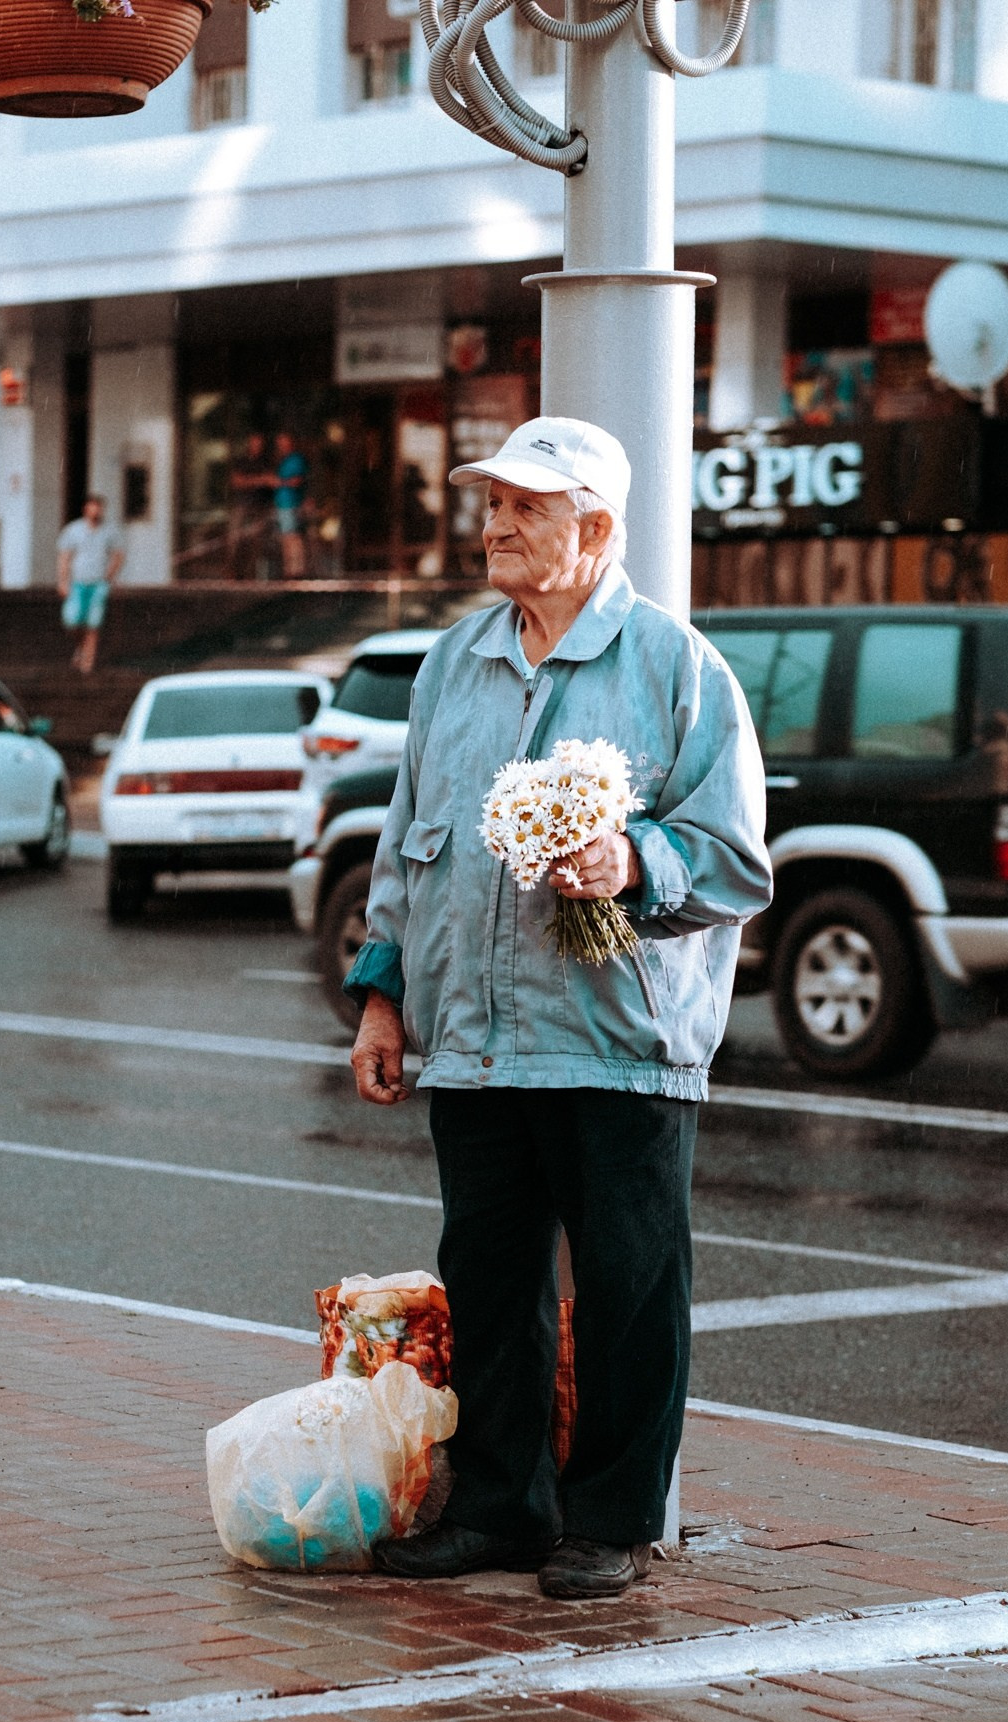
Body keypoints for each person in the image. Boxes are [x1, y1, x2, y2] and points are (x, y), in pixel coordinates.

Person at [346, 416, 772, 1600]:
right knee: (488, 1289)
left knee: (630, 1289)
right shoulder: (454, 663)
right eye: (491, 502)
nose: (493, 523)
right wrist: (383, 1003)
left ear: (593, 526)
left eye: (524, 506)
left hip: (616, 1044)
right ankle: (498, 1506)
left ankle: (611, 1518)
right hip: (474, 1047)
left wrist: (631, 861)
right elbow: (404, 854)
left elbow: (736, 861)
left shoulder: (675, 667)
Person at [56, 495, 125, 676]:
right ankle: (81, 646)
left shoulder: (109, 531)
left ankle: (87, 664)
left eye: (99, 507)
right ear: (86, 508)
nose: (96, 511)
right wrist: (63, 581)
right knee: (72, 621)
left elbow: (118, 555)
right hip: (78, 583)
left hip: (98, 584)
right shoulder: (73, 530)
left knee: (93, 624)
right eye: (93, 507)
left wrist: (108, 576)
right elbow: (65, 556)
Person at [227, 431, 276, 577]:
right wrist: (259, 480)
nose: (257, 446)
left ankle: (250, 574)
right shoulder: (242, 461)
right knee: (235, 540)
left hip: (260, 507)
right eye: (255, 442)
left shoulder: (267, 462)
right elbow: (237, 482)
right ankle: (232, 571)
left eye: (260, 443)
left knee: (256, 543)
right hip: (242, 506)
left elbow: (272, 481)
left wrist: (252, 481)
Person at [273, 431, 309, 579]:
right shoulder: (282, 460)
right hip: (282, 503)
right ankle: (290, 569)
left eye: (284, 442)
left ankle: (296, 570)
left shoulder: (296, 460)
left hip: (291, 503)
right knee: (286, 537)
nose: (281, 445)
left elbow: (297, 481)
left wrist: (279, 482)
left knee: (292, 537)